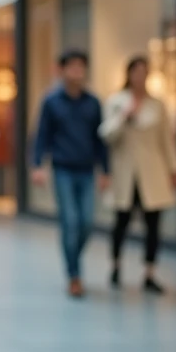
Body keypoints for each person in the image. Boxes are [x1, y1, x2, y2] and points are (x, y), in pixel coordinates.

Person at [99, 57, 176, 293]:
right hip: (125, 172)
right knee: (121, 223)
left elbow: (166, 140)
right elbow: (106, 135)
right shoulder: (116, 102)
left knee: (153, 225)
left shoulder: (157, 105)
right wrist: (124, 116)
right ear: (129, 74)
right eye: (137, 72)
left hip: (152, 171)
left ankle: (150, 273)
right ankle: (116, 266)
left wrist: (175, 168)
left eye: (145, 72)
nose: (141, 77)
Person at [32, 50, 109, 298]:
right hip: (62, 168)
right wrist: (37, 165)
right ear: (61, 70)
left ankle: (73, 258)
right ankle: (74, 275)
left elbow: (100, 139)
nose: (76, 72)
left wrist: (105, 170)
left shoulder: (93, 103)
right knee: (70, 221)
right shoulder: (52, 102)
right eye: (72, 67)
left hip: (87, 169)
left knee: (86, 222)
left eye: (80, 67)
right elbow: (41, 135)